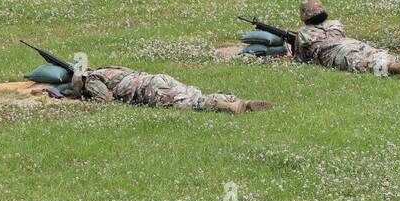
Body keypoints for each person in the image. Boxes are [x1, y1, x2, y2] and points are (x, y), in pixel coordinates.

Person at [292, 0, 400, 79]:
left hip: (335, 52)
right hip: (352, 43)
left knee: (363, 65)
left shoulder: (303, 33)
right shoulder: (335, 24)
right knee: (381, 55)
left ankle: (396, 68)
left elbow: (301, 58)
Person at [70, 66, 270, 114]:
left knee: (185, 102)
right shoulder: (110, 69)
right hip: (156, 78)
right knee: (192, 93)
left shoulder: (90, 79)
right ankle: (236, 100)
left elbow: (105, 99)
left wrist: (86, 99)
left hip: (145, 89)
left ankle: (222, 105)